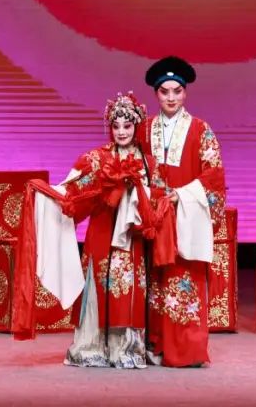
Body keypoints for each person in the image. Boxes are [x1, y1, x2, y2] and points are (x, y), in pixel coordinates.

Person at [139, 56, 225, 368]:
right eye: (165, 92)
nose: (171, 98)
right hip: (153, 218)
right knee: (154, 282)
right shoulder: (143, 129)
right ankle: (155, 346)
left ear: (185, 92)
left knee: (183, 279)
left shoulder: (201, 130)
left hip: (185, 217)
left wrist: (182, 195)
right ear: (156, 94)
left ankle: (187, 351)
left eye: (177, 91)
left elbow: (214, 175)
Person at [61, 92, 152, 368]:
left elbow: (157, 196)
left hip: (130, 236)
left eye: (127, 125)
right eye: (116, 126)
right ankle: (91, 347)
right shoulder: (96, 158)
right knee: (97, 284)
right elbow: (73, 188)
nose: (122, 131)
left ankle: (125, 349)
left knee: (126, 286)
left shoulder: (148, 163)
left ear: (137, 126)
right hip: (101, 230)